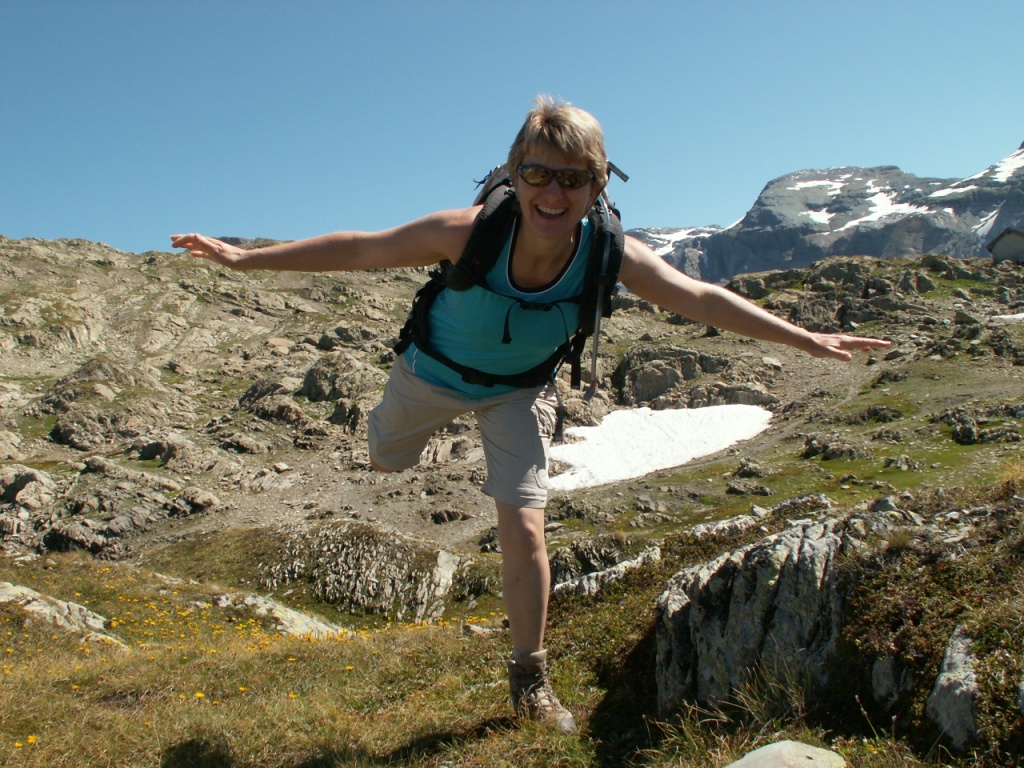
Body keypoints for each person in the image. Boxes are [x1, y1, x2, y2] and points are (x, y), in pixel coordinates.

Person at [171, 95, 890, 734]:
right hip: (429, 376)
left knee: (523, 525)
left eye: (572, 179)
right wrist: (242, 260)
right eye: (538, 173)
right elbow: (362, 248)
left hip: (518, 391)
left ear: (597, 185)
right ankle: (394, 435)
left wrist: (805, 338)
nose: (552, 192)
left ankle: (529, 679)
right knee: (386, 459)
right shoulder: (467, 231)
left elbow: (699, 298)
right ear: (514, 175)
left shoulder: (611, 253)